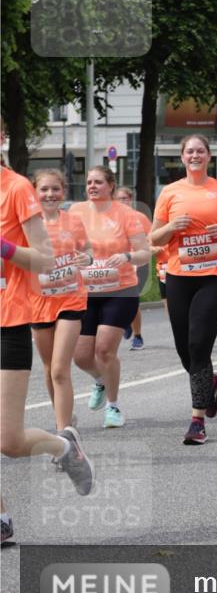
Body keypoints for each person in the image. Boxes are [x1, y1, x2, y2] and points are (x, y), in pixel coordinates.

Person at [1, 160, 93, 545]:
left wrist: (4, 247)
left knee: (9, 441)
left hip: (8, 320)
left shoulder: (16, 188)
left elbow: (44, 258)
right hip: (19, 314)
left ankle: (65, 447)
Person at [152, 135, 217, 444]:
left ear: (209, 156)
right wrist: (171, 228)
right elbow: (154, 238)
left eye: (200, 151)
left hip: (215, 277)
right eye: (189, 151)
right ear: (182, 157)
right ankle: (209, 382)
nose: (194, 155)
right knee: (184, 349)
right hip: (179, 276)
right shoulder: (170, 192)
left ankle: (197, 421)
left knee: (198, 345)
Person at [71, 167, 150, 429]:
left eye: (98, 182)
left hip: (120, 291)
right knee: (81, 356)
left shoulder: (126, 214)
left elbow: (144, 253)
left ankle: (113, 407)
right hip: (86, 292)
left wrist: (127, 256)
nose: (92, 186)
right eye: (89, 182)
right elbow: (65, 244)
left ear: (111, 185)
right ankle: (100, 381)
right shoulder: (75, 212)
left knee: (104, 349)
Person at [30, 170, 90, 430]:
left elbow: (87, 249)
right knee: (47, 369)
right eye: (44, 189)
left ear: (63, 192)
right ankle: (63, 417)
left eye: (55, 189)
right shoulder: (27, 224)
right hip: (38, 303)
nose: (50, 194)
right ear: (34, 193)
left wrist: (87, 258)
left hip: (70, 300)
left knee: (59, 369)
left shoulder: (73, 221)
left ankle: (63, 432)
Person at [115, 186, 152, 350]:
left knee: (133, 300)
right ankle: (126, 321)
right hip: (119, 264)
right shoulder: (111, 219)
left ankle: (137, 336)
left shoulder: (140, 217)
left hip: (138, 263)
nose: (121, 202)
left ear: (131, 200)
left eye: (124, 198)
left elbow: (151, 237)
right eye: (118, 199)